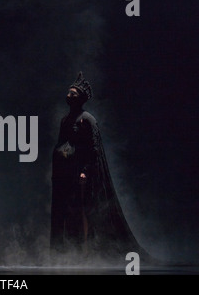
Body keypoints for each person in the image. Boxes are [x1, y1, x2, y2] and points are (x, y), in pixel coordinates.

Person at [50, 72, 142, 259]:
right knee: (67, 209)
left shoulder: (88, 119)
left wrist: (85, 171)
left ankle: (85, 248)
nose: (69, 96)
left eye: (73, 94)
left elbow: (94, 149)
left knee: (83, 208)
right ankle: (68, 248)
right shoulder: (65, 120)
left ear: (80, 98)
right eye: (69, 93)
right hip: (65, 172)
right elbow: (61, 143)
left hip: (80, 172)